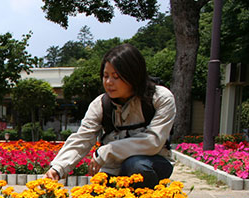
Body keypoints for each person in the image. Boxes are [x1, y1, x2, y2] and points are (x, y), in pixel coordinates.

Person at [45, 43, 176, 188]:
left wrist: (108, 150)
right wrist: (58, 167)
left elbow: (153, 142)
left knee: (135, 166)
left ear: (133, 75)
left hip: (152, 162)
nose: (108, 82)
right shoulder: (101, 104)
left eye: (116, 77)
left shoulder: (160, 98)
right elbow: (83, 138)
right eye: (105, 76)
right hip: (113, 168)